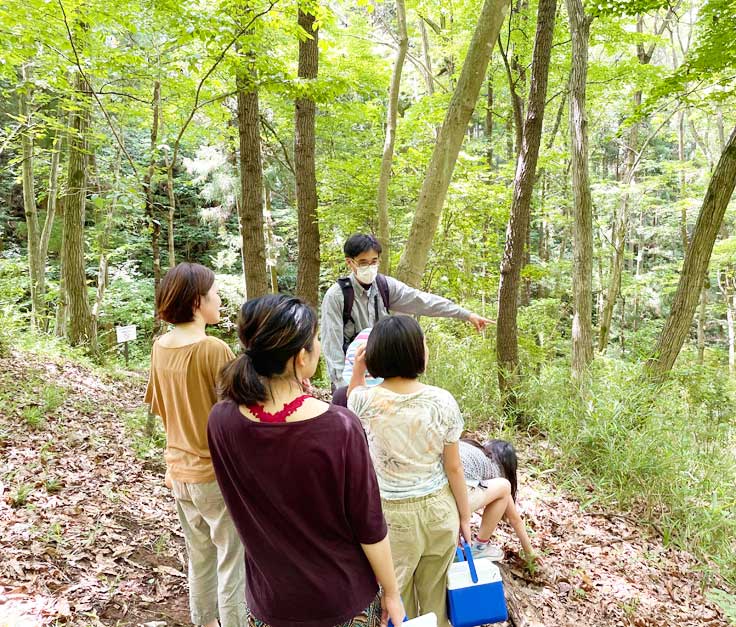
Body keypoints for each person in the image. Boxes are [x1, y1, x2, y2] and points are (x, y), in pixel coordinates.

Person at [207, 294, 405, 627]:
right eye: (315, 339)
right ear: (301, 357)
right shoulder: (339, 427)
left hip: (270, 601)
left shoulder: (221, 420)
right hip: (341, 599)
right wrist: (392, 591)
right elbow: (369, 525)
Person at [347, 315, 471, 627]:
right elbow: (454, 467)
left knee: (396, 602)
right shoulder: (442, 400)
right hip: (439, 511)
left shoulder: (364, 401)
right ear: (416, 352)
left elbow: (351, 400)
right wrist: (465, 516)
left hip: (391, 517)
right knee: (436, 599)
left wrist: (359, 370)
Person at [144, 262, 246, 627]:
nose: (219, 299)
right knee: (231, 561)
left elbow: (160, 408)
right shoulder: (212, 348)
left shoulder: (160, 346)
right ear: (196, 302)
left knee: (200, 558)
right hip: (216, 475)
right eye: (214, 293)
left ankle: (204, 622)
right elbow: (240, 411)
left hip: (179, 473)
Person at [321, 233, 491, 389]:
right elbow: (332, 347)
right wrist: (345, 388)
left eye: (374, 261)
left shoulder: (385, 287)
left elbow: (422, 301)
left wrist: (466, 314)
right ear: (350, 262)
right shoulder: (337, 296)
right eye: (363, 262)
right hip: (352, 378)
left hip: (383, 379)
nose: (370, 266)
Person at [459, 438, 537, 562]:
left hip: (434, 492)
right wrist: (530, 553)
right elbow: (514, 519)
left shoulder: (469, 448)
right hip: (456, 496)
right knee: (505, 486)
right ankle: (480, 548)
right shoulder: (494, 468)